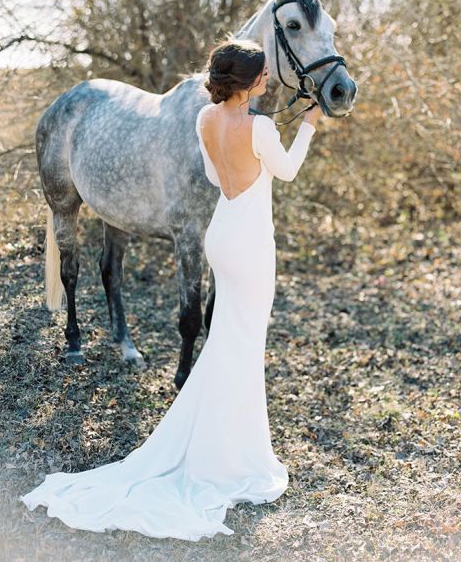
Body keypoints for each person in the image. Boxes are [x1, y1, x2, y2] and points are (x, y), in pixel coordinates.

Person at [19, 38, 321, 542]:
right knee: (242, 343)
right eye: (263, 74)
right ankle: (234, 454)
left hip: (220, 236)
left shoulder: (203, 121)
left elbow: (210, 174)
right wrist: (308, 126)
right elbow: (287, 170)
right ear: (249, 82)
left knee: (228, 340)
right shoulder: (262, 126)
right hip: (249, 244)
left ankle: (218, 442)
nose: (269, 79)